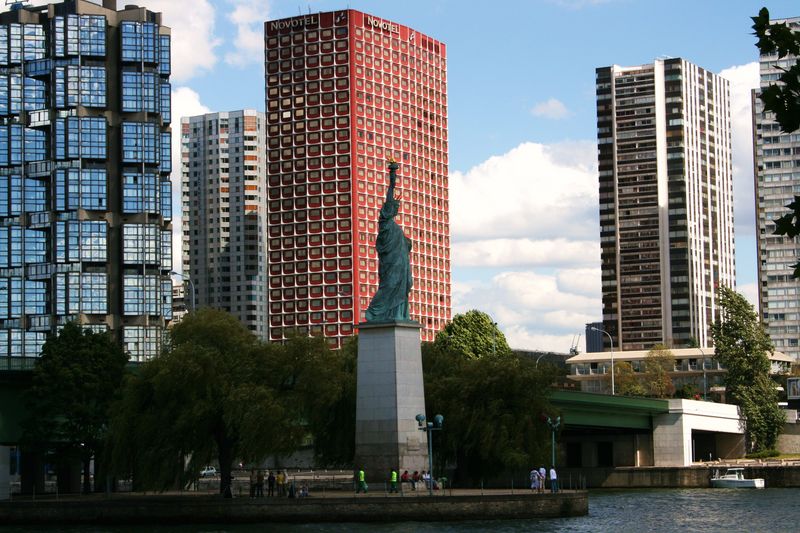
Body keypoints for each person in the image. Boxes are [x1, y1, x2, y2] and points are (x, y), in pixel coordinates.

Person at [364, 159, 413, 322]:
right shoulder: (385, 223)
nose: (395, 209)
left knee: (401, 289)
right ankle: (374, 312)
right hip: (391, 265)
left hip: (401, 266)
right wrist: (393, 176)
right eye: (393, 207)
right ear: (387, 210)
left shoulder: (395, 227)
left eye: (396, 208)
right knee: (389, 286)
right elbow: (389, 195)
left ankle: (397, 315)